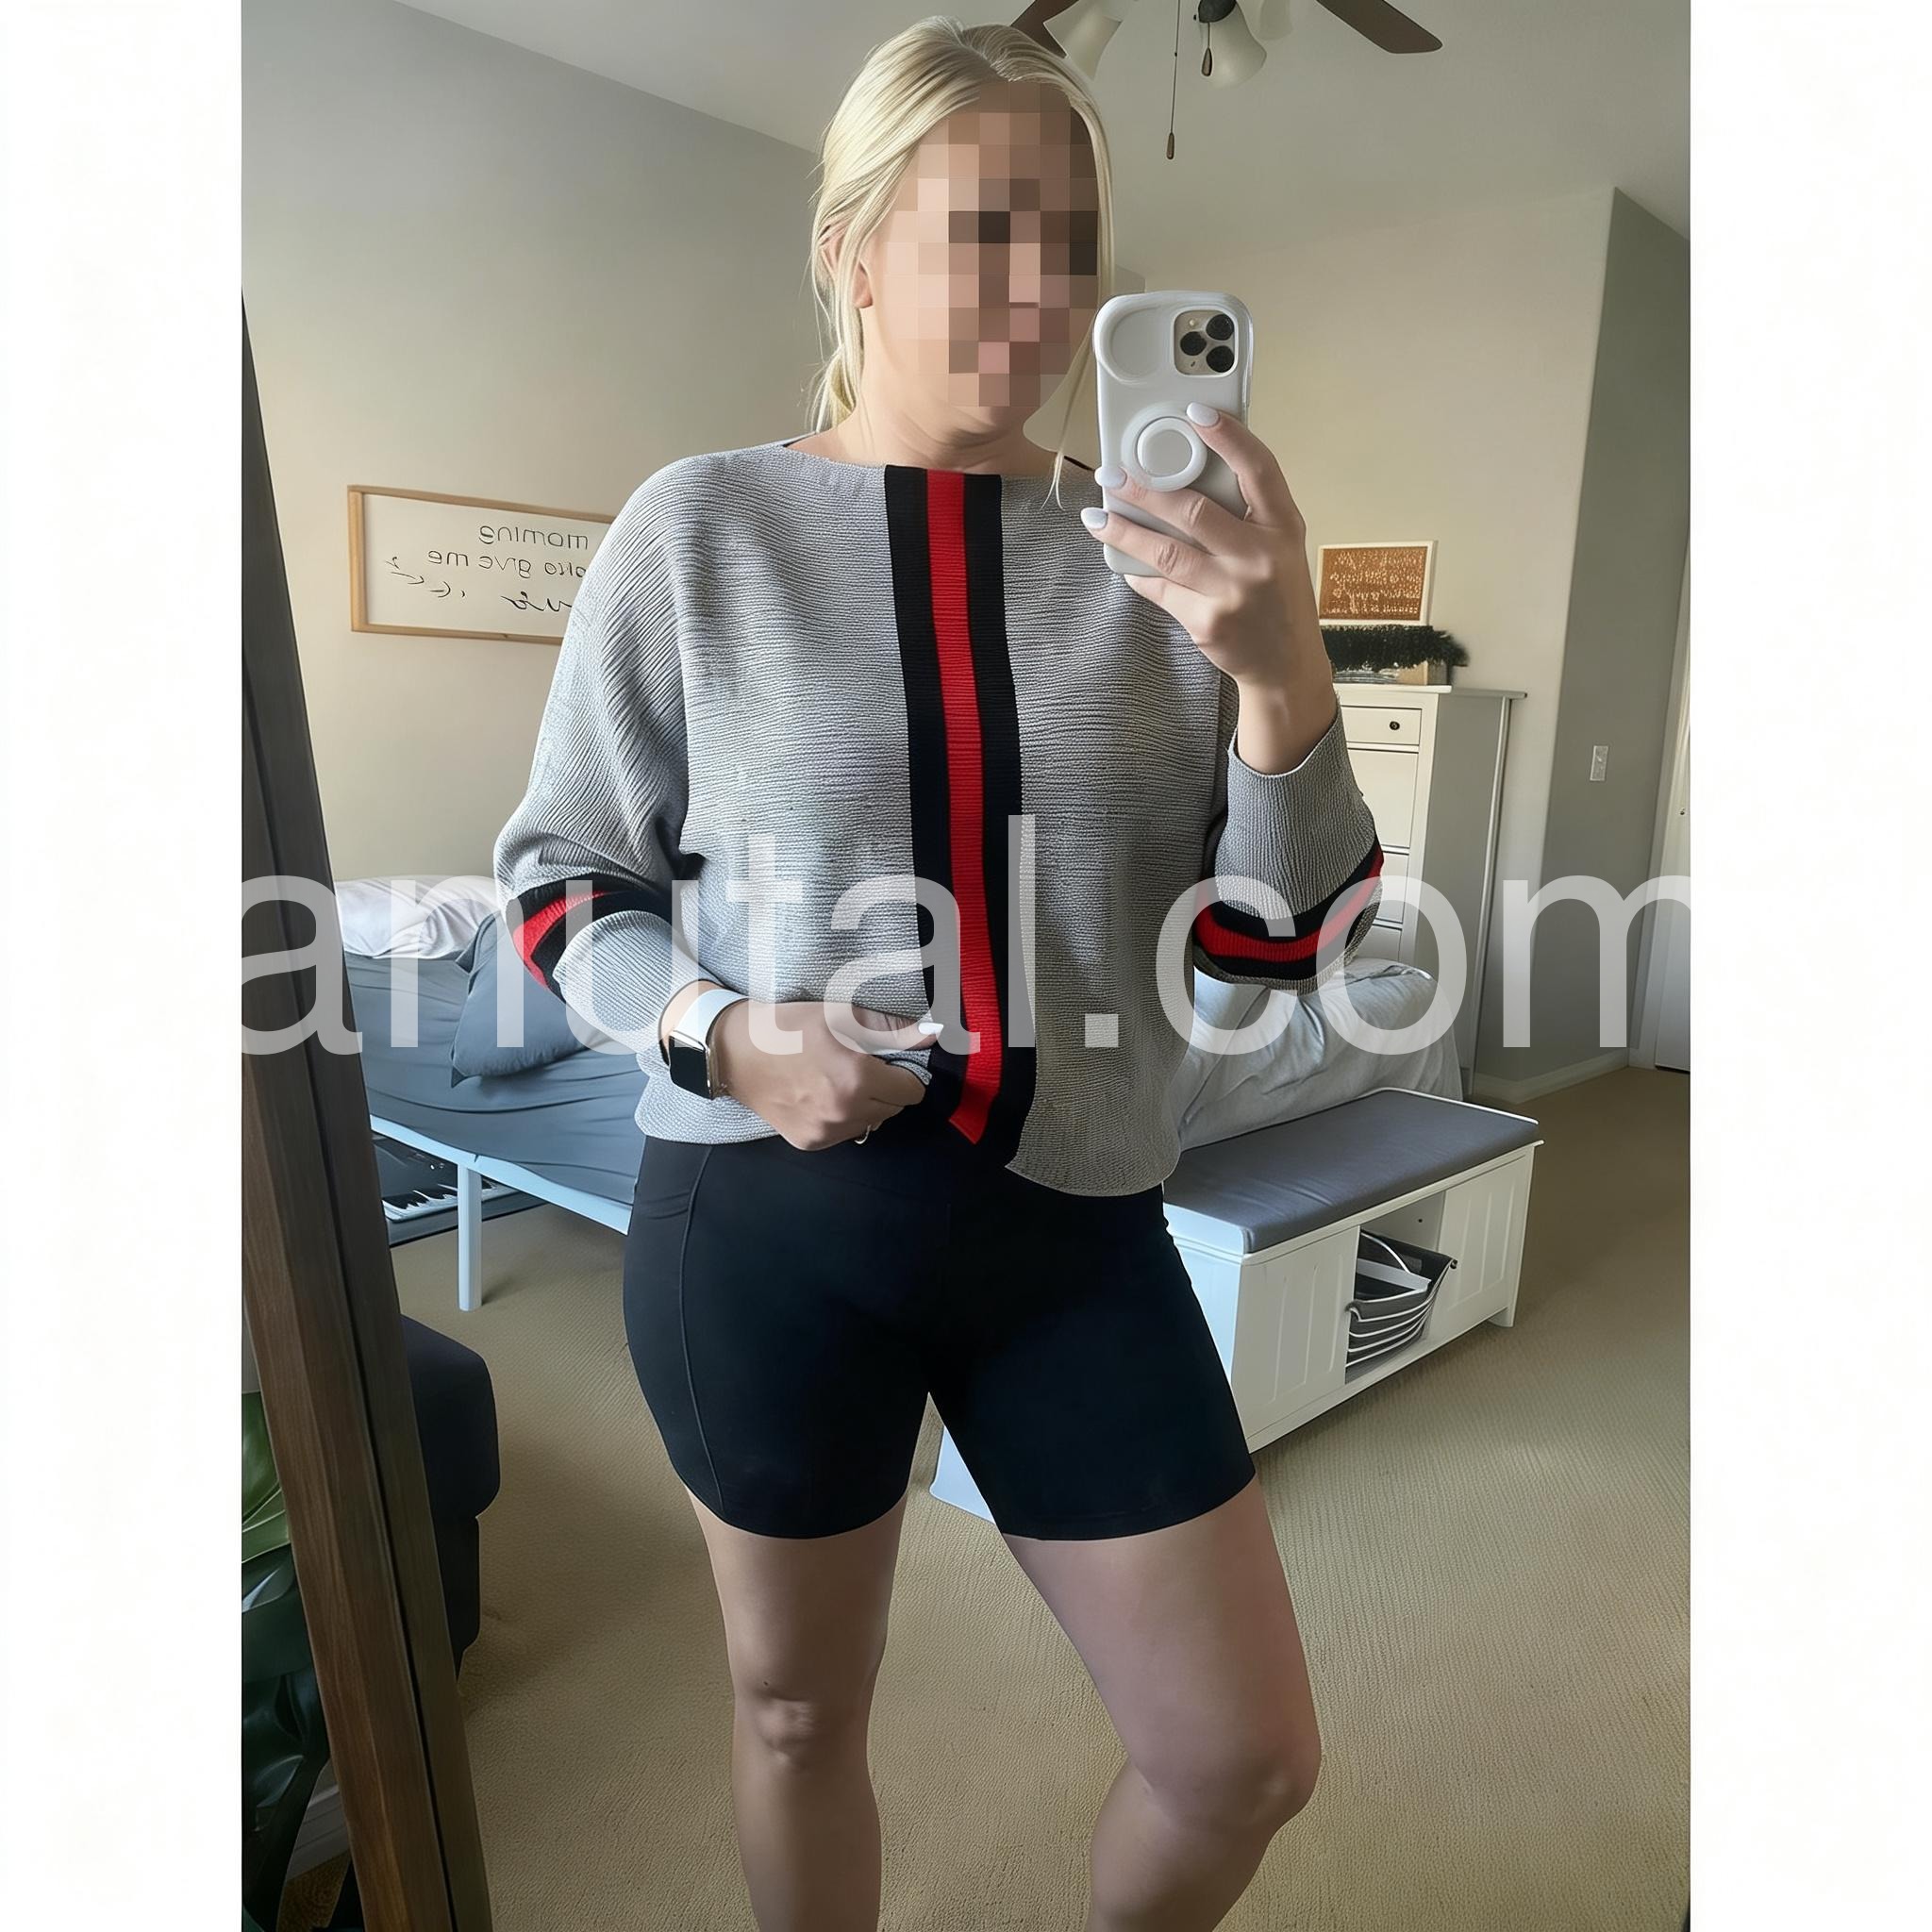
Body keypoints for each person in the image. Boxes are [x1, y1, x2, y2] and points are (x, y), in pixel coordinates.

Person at [493, 18, 1384, 1929]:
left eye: (1071, 242)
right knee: (798, 1708)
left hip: (1075, 1231)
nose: (1040, 292)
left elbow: (1282, 949)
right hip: (765, 1226)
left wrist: (1281, 668)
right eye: (984, 230)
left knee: (1239, 1757)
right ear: (851, 249)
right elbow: (560, 886)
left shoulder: (1164, 564)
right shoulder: (701, 530)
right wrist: (719, 1031)